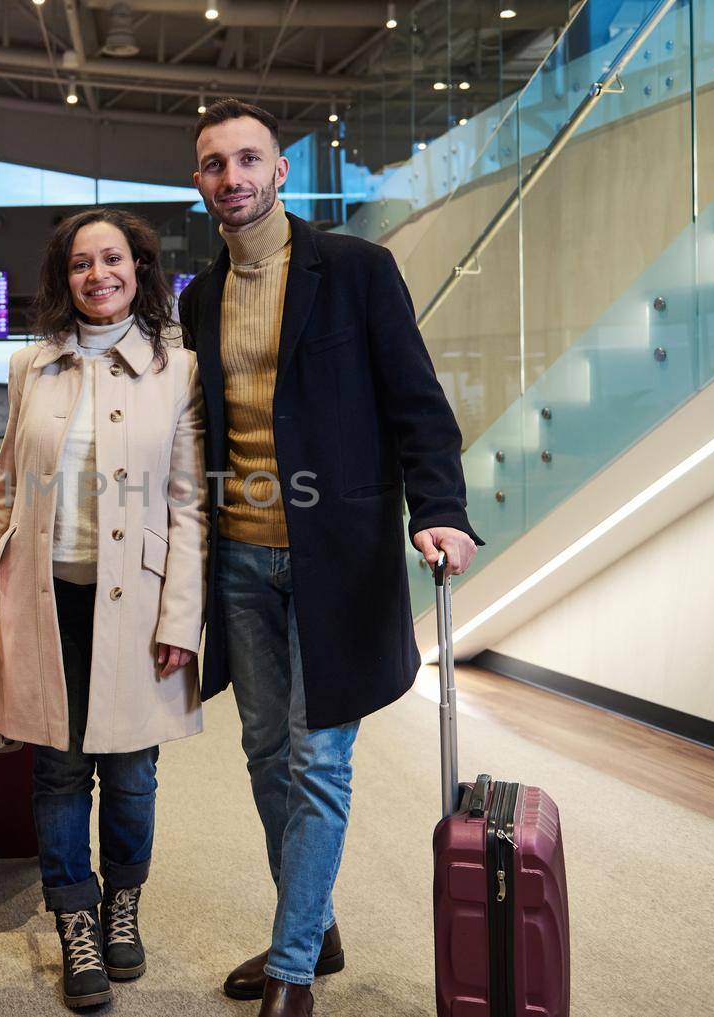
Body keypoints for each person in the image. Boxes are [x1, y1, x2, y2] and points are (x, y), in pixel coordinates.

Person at [179, 99, 482, 1017]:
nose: (231, 178)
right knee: (266, 750)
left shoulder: (356, 270)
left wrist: (440, 509)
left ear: (278, 170)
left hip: (337, 555)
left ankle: (294, 968)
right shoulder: (200, 298)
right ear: (199, 185)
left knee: (318, 757)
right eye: (211, 165)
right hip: (238, 555)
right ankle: (315, 924)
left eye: (247, 160)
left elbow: (416, 402)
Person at [0, 208, 206, 1011]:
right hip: (43, 598)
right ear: (61, 278)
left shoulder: (180, 370)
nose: (97, 274)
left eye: (113, 259)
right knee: (58, 770)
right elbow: (6, 489)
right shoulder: (29, 366)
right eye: (80, 263)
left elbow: (189, 508)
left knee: (134, 771)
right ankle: (75, 917)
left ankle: (122, 902)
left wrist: (181, 618)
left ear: (139, 268)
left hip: (135, 605)